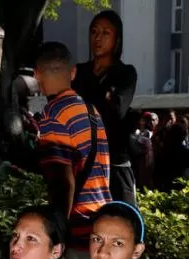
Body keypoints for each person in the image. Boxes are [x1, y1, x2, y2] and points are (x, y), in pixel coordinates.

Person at [33, 41, 111, 259]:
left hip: (78, 235)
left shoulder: (52, 115)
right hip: (102, 225)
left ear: (37, 75)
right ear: (73, 72)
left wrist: (57, 236)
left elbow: (63, 182)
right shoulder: (91, 110)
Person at [73, 10, 138, 205]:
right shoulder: (79, 71)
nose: (98, 38)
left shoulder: (125, 73)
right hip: (82, 163)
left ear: (117, 39)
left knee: (122, 223)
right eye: (94, 32)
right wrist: (105, 94)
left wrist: (91, 100)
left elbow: (116, 110)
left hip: (115, 164)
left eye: (105, 33)